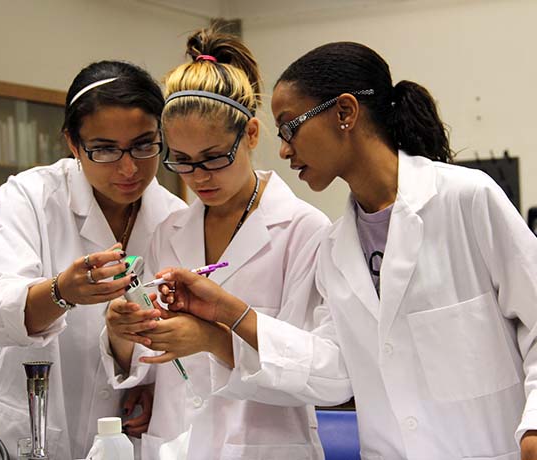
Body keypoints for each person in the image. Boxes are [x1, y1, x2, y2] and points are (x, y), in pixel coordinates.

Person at [151, 42, 537, 459]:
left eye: (289, 127)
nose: (283, 149)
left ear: (345, 113)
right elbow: (334, 374)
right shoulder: (336, 249)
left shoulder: (466, 200)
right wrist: (228, 314)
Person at [101, 28, 331, 460]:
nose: (199, 176)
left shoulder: (303, 229)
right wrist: (122, 332)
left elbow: (319, 370)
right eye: (182, 162)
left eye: (213, 157)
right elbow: (151, 367)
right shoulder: (167, 233)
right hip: (174, 441)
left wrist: (212, 339)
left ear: (251, 134)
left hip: (264, 445)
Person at [0, 60, 187, 460]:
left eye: (143, 144)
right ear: (73, 142)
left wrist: (151, 386)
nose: (129, 166)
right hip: (20, 431)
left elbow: (173, 338)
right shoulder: (31, 196)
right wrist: (62, 291)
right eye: (104, 149)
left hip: (119, 435)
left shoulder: (173, 217)